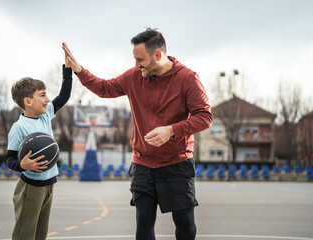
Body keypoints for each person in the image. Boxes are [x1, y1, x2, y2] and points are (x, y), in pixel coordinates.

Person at [63, 28, 213, 240]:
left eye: (140, 59)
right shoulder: (134, 77)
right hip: (142, 163)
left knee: (185, 223)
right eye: (134, 59)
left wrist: (171, 130)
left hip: (176, 163)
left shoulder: (188, 79)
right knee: (143, 221)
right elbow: (105, 88)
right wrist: (79, 70)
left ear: (158, 55)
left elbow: (205, 117)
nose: (136, 65)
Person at [5, 47, 73, 240]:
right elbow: (9, 159)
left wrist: (67, 71)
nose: (47, 99)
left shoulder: (45, 116)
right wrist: (21, 165)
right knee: (24, 235)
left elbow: (64, 96)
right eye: (42, 95)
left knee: (40, 235)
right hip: (30, 187)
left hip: (49, 184)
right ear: (28, 101)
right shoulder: (19, 127)